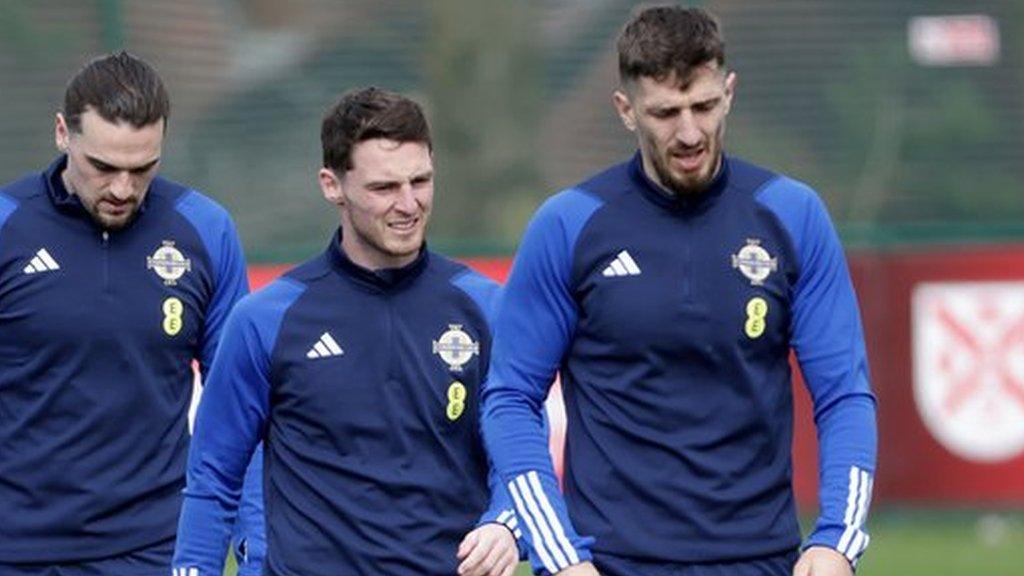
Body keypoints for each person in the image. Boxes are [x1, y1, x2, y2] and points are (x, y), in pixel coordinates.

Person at [481, 6, 878, 576]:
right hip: (610, 564)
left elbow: (845, 394)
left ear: (729, 93)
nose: (689, 132)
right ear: (626, 110)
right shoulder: (568, 226)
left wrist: (838, 538)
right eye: (665, 113)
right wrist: (560, 555)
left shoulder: (792, 216)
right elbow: (510, 399)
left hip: (758, 561)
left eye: (704, 106)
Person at [173, 87, 522, 576]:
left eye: (420, 181)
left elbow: (521, 454)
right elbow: (212, 478)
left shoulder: (486, 309)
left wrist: (507, 525)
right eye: (384, 188)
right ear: (332, 185)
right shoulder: (265, 321)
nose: (409, 204)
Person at [0, 51, 249, 574]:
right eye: (103, 167)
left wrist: (252, 537)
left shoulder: (205, 229)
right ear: (63, 133)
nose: (122, 189)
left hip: (154, 548)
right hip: (16, 549)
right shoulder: (6, 227)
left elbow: (241, 403)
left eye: (143, 168)